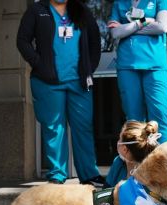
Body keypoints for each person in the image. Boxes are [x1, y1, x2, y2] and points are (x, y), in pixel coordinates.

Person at [17, 0, 106, 186]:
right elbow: (22, 41)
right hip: (48, 82)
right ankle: (57, 175)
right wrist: (39, 64)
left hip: (79, 82)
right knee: (54, 128)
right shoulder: (37, 10)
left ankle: (89, 175)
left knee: (83, 128)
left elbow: (95, 41)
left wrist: (89, 68)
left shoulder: (82, 10)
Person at [108, 0, 167, 143]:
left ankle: (164, 163)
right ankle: (137, 164)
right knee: (133, 121)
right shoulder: (119, 3)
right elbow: (115, 32)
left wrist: (127, 28)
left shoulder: (160, 1)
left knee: (160, 116)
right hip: (127, 66)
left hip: (155, 65)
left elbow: (162, 27)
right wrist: (142, 22)